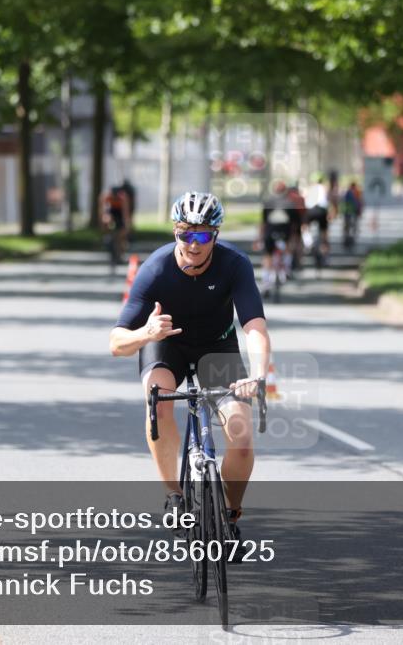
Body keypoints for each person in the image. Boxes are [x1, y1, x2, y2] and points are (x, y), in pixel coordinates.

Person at [109, 191, 271, 543]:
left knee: (241, 437)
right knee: (158, 399)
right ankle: (174, 494)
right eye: (185, 234)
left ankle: (228, 514)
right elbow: (116, 343)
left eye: (202, 235)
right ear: (175, 232)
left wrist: (257, 374)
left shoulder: (234, 264)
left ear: (215, 235)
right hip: (167, 343)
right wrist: (145, 333)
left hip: (218, 347)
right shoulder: (156, 269)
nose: (193, 244)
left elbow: (254, 327)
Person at [257, 182, 297, 289]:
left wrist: (259, 238)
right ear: (285, 191)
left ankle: (265, 281)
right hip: (285, 233)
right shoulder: (290, 203)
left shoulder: (268, 202)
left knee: (267, 256)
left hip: (270, 232)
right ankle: (287, 268)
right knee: (288, 248)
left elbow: (263, 222)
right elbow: (294, 224)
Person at [99, 184, 132, 260]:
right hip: (111, 212)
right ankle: (108, 237)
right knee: (107, 220)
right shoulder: (106, 196)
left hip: (120, 213)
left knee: (121, 234)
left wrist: (126, 225)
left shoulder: (123, 197)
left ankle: (121, 249)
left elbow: (125, 212)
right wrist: (103, 223)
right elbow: (103, 211)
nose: (115, 197)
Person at [302, 172, 330, 257]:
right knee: (324, 231)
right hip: (322, 210)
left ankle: (308, 243)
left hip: (311, 210)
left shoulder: (310, 188)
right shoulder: (325, 188)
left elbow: (305, 199)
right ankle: (324, 248)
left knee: (304, 227)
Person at [342, 181, 364, 249]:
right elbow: (360, 202)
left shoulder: (349, 192)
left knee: (349, 226)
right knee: (352, 226)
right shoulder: (356, 192)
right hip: (352, 211)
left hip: (349, 212)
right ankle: (349, 239)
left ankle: (348, 239)